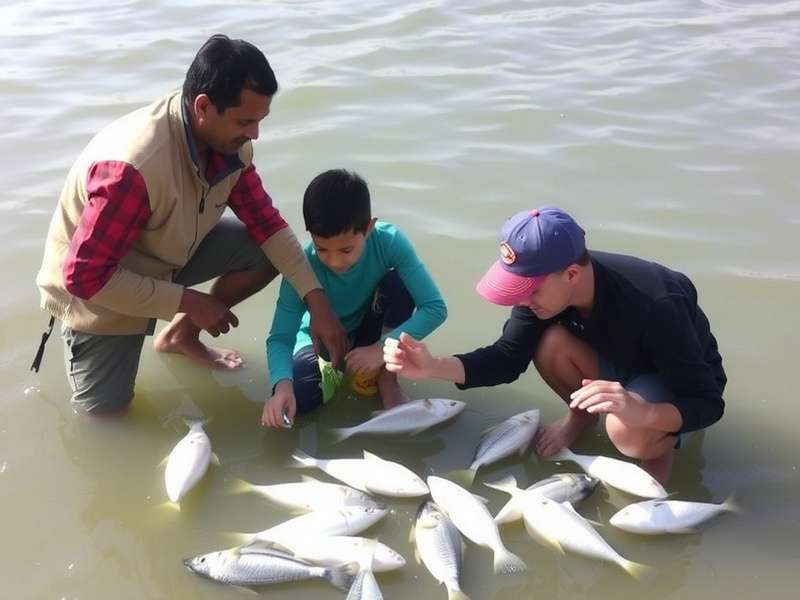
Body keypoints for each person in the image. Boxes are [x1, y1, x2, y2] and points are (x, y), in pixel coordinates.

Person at [34, 34, 347, 415]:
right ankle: (173, 324)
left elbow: (268, 224)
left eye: (260, 121)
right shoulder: (132, 169)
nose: (255, 134)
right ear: (203, 106)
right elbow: (84, 277)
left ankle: (178, 337)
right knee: (104, 417)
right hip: (98, 291)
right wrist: (189, 301)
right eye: (245, 121)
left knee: (266, 253)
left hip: (164, 249)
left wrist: (317, 301)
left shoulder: (230, 145)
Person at [383, 206, 726, 483]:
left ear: (572, 274)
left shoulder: (658, 304)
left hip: (671, 380)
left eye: (530, 290)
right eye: (516, 288)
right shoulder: (544, 295)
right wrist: (433, 366)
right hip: (615, 362)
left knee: (623, 430)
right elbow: (507, 358)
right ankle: (581, 418)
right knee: (549, 345)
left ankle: (655, 446)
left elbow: (708, 403)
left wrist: (643, 412)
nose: (523, 299)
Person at [261, 169, 447, 428]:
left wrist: (382, 349)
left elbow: (435, 308)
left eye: (346, 249)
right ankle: (336, 372)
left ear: (368, 228)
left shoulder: (389, 241)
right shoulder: (302, 263)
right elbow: (281, 337)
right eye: (322, 249)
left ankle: (386, 376)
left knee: (399, 284)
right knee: (299, 400)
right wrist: (282, 386)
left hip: (371, 332)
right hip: (320, 342)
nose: (335, 261)